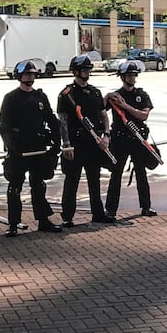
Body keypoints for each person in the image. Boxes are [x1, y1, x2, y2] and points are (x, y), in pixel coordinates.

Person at [0, 59, 62, 237]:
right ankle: (13, 223)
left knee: (38, 185)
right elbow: (3, 126)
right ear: (19, 76)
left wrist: (57, 141)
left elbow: (51, 120)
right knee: (15, 187)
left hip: (38, 148)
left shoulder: (40, 97)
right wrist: (12, 146)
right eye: (26, 74)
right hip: (19, 149)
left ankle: (43, 220)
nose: (30, 77)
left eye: (32, 74)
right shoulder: (11, 98)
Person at [57, 54, 113, 226]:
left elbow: (103, 115)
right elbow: (63, 120)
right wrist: (67, 145)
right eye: (83, 70)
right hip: (76, 142)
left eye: (88, 70)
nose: (86, 73)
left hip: (94, 142)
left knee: (94, 179)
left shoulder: (95, 92)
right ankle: (67, 217)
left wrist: (106, 135)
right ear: (75, 72)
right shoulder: (67, 94)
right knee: (72, 180)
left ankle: (98, 213)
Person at [104, 60, 159, 220]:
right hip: (120, 140)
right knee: (116, 174)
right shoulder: (115, 96)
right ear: (122, 77)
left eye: (134, 75)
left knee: (141, 174)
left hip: (138, 140)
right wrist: (107, 97)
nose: (133, 78)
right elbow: (99, 110)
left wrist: (126, 106)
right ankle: (111, 210)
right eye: (129, 75)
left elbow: (144, 115)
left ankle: (146, 206)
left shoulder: (141, 95)